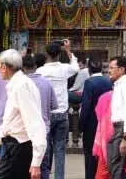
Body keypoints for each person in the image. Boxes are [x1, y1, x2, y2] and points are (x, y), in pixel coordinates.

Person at [0, 49, 47, 179]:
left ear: (4, 67)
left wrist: (36, 162)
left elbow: (35, 123)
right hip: (13, 144)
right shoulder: (16, 84)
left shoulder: (21, 85)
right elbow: (8, 124)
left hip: (21, 146)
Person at [36, 42, 79, 179]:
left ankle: (45, 176)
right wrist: (68, 50)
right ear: (59, 54)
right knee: (60, 150)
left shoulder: (40, 72)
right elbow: (76, 67)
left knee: (46, 149)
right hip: (62, 113)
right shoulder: (64, 69)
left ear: (46, 54)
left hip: (46, 115)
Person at [80, 58, 113, 179]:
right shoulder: (109, 81)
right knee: (104, 153)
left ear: (89, 69)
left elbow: (86, 106)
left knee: (90, 154)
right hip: (106, 123)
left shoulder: (89, 83)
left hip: (91, 124)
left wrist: (81, 125)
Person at [22, 54, 58, 134]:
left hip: (24, 129)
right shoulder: (47, 83)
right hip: (42, 127)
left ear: (22, 68)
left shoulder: (18, 84)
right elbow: (54, 105)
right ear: (35, 66)